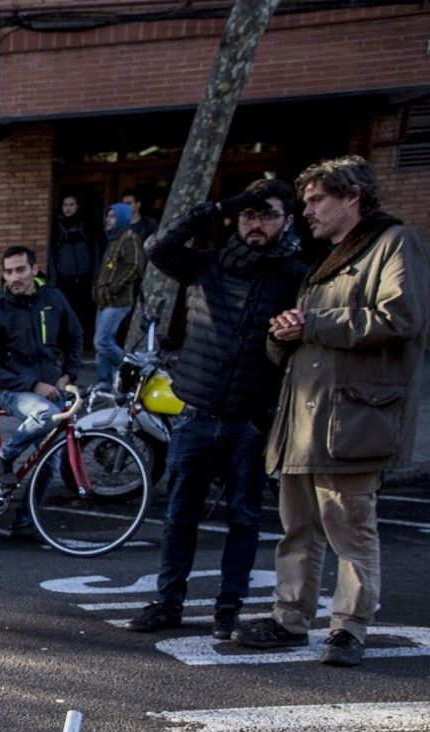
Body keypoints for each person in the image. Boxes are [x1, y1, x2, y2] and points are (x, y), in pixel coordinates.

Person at [235, 156, 429, 667]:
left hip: (354, 418)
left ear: (352, 196)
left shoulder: (394, 242)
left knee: (350, 527)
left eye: (317, 200)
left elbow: (401, 316)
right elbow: (305, 336)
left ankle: (348, 629)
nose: (308, 211)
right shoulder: (327, 258)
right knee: (297, 526)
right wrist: (282, 335)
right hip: (303, 418)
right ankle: (289, 619)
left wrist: (312, 323)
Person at [124, 179, 307, 640]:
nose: (256, 222)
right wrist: (216, 207)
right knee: (179, 515)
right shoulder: (206, 265)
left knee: (244, 519)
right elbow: (158, 247)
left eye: (267, 214)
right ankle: (168, 603)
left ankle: (228, 611)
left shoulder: (295, 275)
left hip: (250, 418)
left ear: (287, 220)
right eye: (248, 215)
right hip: (197, 411)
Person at [0, 245, 83, 535]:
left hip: (51, 386)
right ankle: (5, 458)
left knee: (49, 461)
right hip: (11, 390)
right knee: (47, 413)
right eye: (9, 271)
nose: (14, 277)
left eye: (20, 270)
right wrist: (34, 385)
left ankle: (25, 520)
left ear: (34, 270)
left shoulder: (54, 300)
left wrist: (68, 374)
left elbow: (75, 337)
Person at [90, 202, 146, 386]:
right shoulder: (114, 239)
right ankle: (105, 382)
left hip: (118, 301)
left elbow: (135, 267)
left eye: (113, 216)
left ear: (122, 218)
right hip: (104, 300)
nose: (108, 219)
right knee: (102, 345)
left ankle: (131, 371)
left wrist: (115, 287)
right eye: (108, 215)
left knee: (102, 341)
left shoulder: (128, 237)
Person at [48, 193, 99, 339]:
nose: (68, 208)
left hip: (84, 280)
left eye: (71, 204)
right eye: (65, 205)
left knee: (82, 313)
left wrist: (95, 275)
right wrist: (53, 279)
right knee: (64, 314)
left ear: (77, 206)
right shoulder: (56, 227)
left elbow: (95, 250)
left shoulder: (87, 224)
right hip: (64, 280)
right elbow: (51, 254)